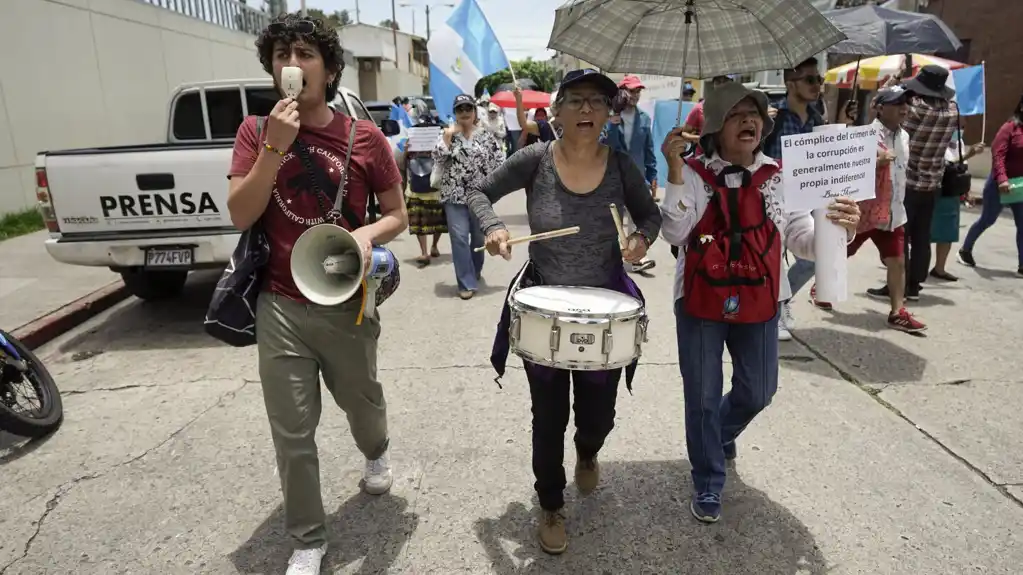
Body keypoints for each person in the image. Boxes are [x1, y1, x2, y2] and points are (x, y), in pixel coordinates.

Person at [226, 14, 407, 575]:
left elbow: (397, 214)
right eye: (282, 54)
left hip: (346, 300)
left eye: (305, 54)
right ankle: (308, 536)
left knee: (362, 402)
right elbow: (240, 213)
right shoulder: (256, 133)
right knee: (292, 429)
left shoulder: (365, 137)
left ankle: (375, 449)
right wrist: (275, 149)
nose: (292, 64)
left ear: (329, 70)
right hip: (279, 302)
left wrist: (366, 233)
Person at [466, 69, 662, 555]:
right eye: (575, 101)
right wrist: (491, 228)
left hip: (607, 307)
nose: (586, 110)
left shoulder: (620, 167)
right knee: (547, 415)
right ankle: (550, 503)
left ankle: (589, 449)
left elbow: (650, 215)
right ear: (556, 111)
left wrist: (640, 240)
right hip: (544, 304)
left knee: (599, 414)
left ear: (609, 114)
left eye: (597, 102)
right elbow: (476, 193)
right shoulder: (535, 160)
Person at [660, 82, 860, 524]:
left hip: (762, 299)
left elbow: (802, 241)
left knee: (759, 391)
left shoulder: (783, 177)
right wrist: (674, 170)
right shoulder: (691, 173)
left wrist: (838, 228)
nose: (749, 121)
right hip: (699, 300)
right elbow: (674, 235)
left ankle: (718, 435)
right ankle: (708, 479)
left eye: (755, 114)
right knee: (703, 395)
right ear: (715, 128)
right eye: (736, 114)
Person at [763, 57, 858, 339]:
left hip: (808, 200)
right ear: (789, 83)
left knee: (819, 255)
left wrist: (842, 124)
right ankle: (773, 313)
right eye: (810, 80)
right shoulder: (773, 118)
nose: (817, 85)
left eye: (819, 79)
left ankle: (781, 303)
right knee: (773, 262)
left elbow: (828, 157)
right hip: (774, 201)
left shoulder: (818, 120)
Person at [856, 86, 926, 332]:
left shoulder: (904, 137)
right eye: (897, 104)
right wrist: (875, 162)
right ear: (880, 107)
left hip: (894, 213)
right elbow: (851, 171)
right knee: (839, 254)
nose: (904, 108)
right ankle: (821, 286)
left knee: (897, 261)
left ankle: (897, 312)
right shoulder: (865, 135)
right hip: (866, 213)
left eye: (906, 104)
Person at [886, 65, 958, 300]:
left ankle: (898, 285)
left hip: (907, 180)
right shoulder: (952, 111)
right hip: (932, 182)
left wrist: (894, 81)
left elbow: (885, 102)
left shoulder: (914, 109)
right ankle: (914, 286)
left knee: (900, 235)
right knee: (921, 236)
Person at [432, 93, 504, 299]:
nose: (464, 113)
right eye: (459, 109)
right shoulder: (446, 134)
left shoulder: (486, 136)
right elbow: (437, 158)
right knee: (460, 238)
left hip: (479, 197)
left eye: (468, 109)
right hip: (453, 195)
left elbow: (499, 162)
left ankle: (475, 270)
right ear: (455, 113)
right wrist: (447, 137)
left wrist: (495, 189)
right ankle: (465, 282)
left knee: (478, 238)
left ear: (474, 112)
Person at [959, 93, 1023, 275]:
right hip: (999, 184)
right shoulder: (1009, 128)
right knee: (988, 219)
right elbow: (998, 155)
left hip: (1020, 185)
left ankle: (1022, 265)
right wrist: (1002, 179)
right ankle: (965, 250)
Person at [604, 75, 659, 273]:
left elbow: (649, 149)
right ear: (622, 92)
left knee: (638, 218)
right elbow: (605, 144)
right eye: (632, 91)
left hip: (637, 176)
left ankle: (637, 257)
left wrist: (653, 175)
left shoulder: (644, 118)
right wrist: (612, 121)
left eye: (638, 91)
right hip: (612, 174)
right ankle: (609, 257)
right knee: (613, 217)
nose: (635, 95)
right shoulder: (610, 116)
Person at [929, 125, 984, 281]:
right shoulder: (936, 139)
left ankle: (940, 268)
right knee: (927, 231)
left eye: (963, 126)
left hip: (952, 191)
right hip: (937, 190)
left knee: (948, 232)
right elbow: (946, 165)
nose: (960, 129)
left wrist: (966, 191)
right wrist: (968, 154)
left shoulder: (958, 142)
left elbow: (961, 169)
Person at [402, 100, 447, 266]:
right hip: (424, 181)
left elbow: (443, 154)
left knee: (429, 218)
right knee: (426, 219)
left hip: (427, 181)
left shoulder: (437, 133)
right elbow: (406, 157)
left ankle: (430, 249)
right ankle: (428, 250)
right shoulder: (419, 132)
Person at [680, 75, 734, 155]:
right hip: (704, 159)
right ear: (713, 84)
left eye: (725, 81)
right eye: (718, 82)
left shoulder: (739, 107)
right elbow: (684, 134)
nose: (722, 85)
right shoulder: (699, 108)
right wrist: (699, 139)